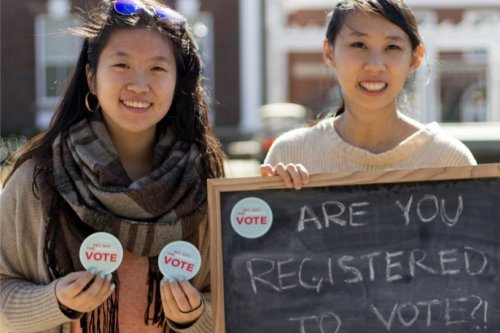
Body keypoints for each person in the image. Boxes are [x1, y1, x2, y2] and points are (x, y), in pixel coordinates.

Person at [0, 0, 225, 332]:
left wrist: (193, 316)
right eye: (121, 65)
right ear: (91, 78)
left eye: (157, 69)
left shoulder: (202, 178)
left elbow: (234, 303)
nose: (139, 84)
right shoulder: (40, 176)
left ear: (177, 83)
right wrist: (56, 301)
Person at [260, 0, 476, 189]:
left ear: (415, 58)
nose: (375, 65)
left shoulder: (450, 160)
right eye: (359, 45)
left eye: (392, 47)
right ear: (329, 53)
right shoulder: (291, 154)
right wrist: (276, 196)